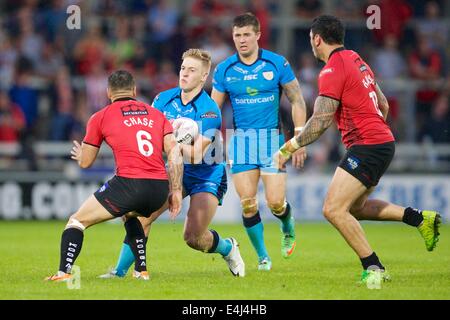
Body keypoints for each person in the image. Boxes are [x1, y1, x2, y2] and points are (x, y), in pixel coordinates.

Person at [274, 15, 441, 284]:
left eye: (311, 40)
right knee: (356, 208)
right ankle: (420, 219)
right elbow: (383, 105)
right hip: (382, 141)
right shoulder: (356, 58)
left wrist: (288, 148)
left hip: (368, 145)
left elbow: (319, 122)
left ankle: (374, 267)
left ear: (317, 39)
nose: (312, 46)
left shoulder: (330, 70)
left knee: (333, 209)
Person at [99, 49, 245, 279]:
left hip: (207, 175)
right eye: (183, 68)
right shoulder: (163, 99)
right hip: (176, 169)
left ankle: (228, 247)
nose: (185, 74)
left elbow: (197, 155)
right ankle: (119, 272)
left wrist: (171, 142)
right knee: (140, 217)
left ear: (203, 76)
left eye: (192, 70)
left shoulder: (209, 111)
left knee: (194, 238)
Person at [45, 70, 184, 282]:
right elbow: (174, 153)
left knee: (77, 221)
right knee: (130, 215)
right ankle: (141, 270)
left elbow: (86, 162)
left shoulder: (100, 116)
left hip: (129, 183)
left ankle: (63, 273)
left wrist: (81, 154)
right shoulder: (156, 115)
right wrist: (175, 189)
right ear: (135, 90)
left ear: (108, 92)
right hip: (159, 187)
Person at [211, 13, 308, 271]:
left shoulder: (277, 64)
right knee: (248, 202)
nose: (241, 40)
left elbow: (297, 100)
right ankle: (263, 257)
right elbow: (212, 110)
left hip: (271, 140)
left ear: (257, 35)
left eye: (246, 35)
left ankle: (287, 225)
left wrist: (299, 137)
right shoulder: (224, 70)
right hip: (241, 140)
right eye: (237, 35)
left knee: (276, 202)